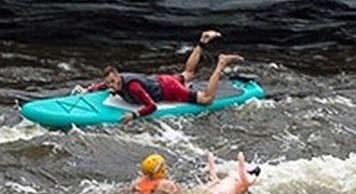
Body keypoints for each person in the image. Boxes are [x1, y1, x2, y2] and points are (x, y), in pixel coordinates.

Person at [87, 29, 243, 124]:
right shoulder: (114, 81)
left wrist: (134, 115)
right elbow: (104, 84)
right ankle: (203, 41)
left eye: (113, 82)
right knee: (188, 74)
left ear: (118, 76)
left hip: (169, 89)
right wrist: (92, 88)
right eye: (109, 84)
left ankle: (221, 63)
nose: (112, 86)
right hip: (161, 80)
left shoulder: (133, 86)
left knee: (207, 99)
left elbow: (151, 106)